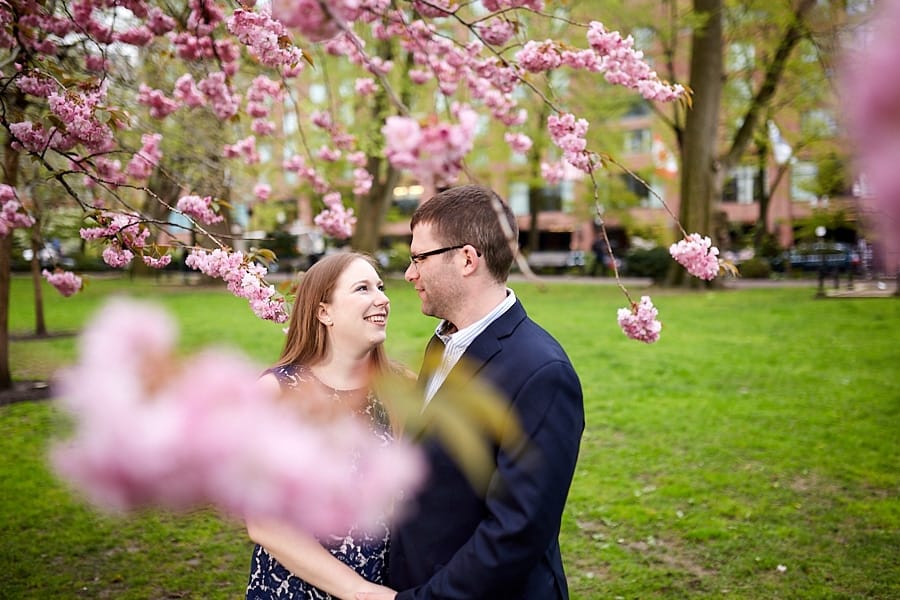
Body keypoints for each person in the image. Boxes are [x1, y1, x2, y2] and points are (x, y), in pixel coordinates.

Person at [360, 184, 585, 599]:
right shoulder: (443, 343)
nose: (409, 274)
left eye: (418, 259)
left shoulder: (542, 373)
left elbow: (517, 533)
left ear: (466, 259)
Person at [245, 252, 399, 600]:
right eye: (362, 288)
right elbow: (263, 522)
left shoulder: (394, 392)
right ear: (323, 312)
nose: (383, 298)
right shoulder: (275, 393)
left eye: (380, 286)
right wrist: (359, 591)